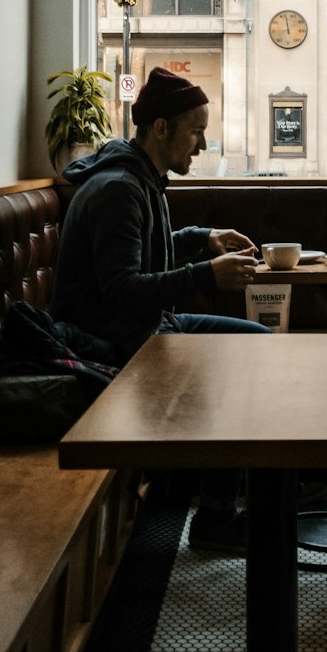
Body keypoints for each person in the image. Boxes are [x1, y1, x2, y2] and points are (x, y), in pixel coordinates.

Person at [50, 65, 269, 552]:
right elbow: (123, 289)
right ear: (162, 128)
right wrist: (207, 275)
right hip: (115, 340)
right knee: (239, 362)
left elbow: (138, 254)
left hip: (148, 326)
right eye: (196, 131)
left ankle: (220, 507)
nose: (203, 145)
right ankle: (216, 517)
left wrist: (201, 238)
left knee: (258, 347)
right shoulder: (119, 190)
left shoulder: (141, 178)